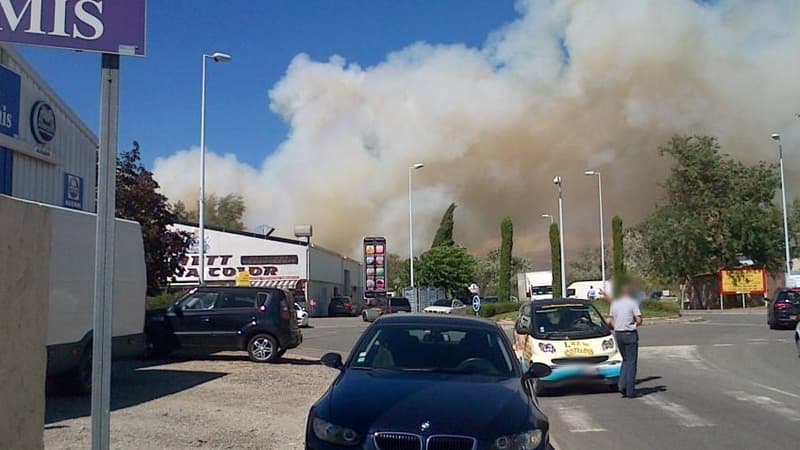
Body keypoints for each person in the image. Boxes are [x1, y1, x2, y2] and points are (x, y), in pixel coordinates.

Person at [603, 285, 643, 398]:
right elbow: (639, 319)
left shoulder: (615, 303)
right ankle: (630, 390)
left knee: (624, 360)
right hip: (630, 333)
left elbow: (610, 319)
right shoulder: (632, 303)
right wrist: (635, 324)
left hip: (619, 333)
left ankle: (621, 384)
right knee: (631, 362)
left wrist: (617, 327)